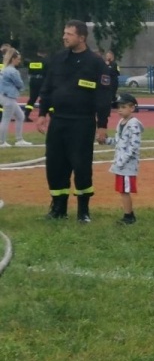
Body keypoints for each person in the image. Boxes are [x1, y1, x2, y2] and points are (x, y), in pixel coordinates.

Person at [36, 20, 113, 222]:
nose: (64, 37)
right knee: (55, 165)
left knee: (81, 166)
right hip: (58, 120)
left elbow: (103, 97)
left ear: (81, 37)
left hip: (82, 122)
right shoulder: (59, 59)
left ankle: (83, 211)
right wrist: (42, 113)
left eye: (69, 34)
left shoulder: (96, 63)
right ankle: (58, 208)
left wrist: (102, 125)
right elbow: (47, 88)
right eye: (64, 33)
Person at [106, 93, 142, 224]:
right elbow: (118, 140)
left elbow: (133, 147)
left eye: (123, 107)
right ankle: (128, 214)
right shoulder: (121, 122)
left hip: (127, 165)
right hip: (120, 163)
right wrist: (106, 140)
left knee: (125, 190)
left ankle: (129, 216)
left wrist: (122, 161)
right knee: (122, 190)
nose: (119, 110)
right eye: (118, 107)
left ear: (132, 108)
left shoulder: (134, 125)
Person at [0, 48, 31, 147]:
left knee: (20, 116)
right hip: (9, 97)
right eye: (18, 59)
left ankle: (19, 140)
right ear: (13, 59)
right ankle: (2, 141)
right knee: (6, 119)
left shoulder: (4, 69)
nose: (19, 61)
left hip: (5, 96)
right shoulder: (13, 71)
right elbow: (20, 84)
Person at [23, 50, 47, 123]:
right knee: (45, 98)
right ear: (44, 53)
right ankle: (44, 115)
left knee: (32, 99)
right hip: (42, 81)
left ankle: (26, 115)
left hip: (33, 81)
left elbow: (29, 71)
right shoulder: (45, 61)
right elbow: (47, 72)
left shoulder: (32, 62)